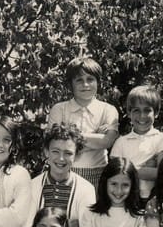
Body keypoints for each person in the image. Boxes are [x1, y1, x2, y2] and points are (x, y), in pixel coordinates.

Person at [47, 56, 119, 188]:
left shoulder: (108, 110)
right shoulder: (59, 109)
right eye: (79, 80)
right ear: (71, 84)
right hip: (64, 171)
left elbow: (107, 141)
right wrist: (95, 137)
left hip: (98, 173)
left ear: (98, 82)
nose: (85, 84)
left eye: (90, 79)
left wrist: (69, 136)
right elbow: (55, 143)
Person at [27, 124, 96, 227]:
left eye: (68, 153)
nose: (61, 158)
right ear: (46, 152)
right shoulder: (32, 186)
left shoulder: (86, 189)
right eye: (55, 151)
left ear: (77, 156)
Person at [110, 85, 163, 207]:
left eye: (147, 110)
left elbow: (162, 173)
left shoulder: (162, 139)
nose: (142, 116)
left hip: (153, 200)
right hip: (124, 199)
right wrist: (146, 169)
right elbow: (115, 175)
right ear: (129, 113)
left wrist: (127, 168)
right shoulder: (121, 142)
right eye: (136, 110)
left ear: (156, 113)